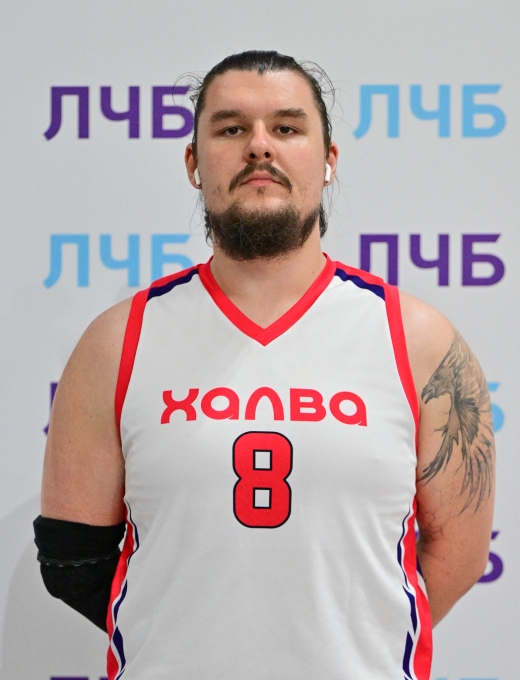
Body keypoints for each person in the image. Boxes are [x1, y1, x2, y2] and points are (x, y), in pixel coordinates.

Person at [34, 51, 495, 680]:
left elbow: (459, 554)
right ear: (193, 163)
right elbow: (72, 562)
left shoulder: (419, 340)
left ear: (328, 160)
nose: (259, 146)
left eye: (286, 127)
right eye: (231, 128)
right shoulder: (117, 341)